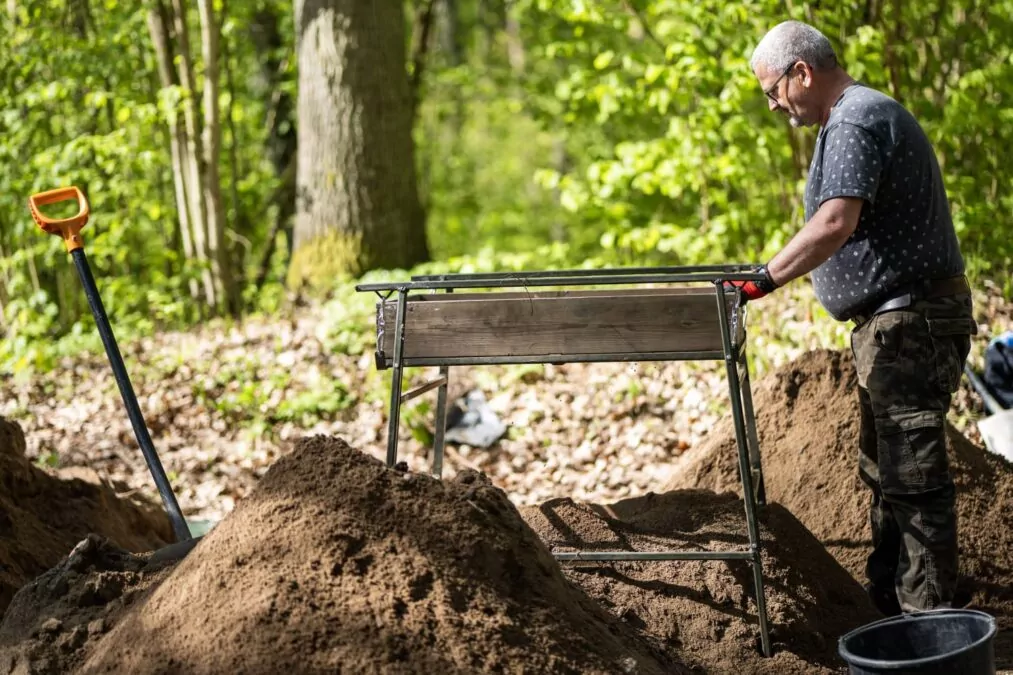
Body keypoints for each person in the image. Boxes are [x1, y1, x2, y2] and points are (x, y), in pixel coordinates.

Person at [727, 20, 977, 616]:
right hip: (894, 327)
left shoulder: (857, 118)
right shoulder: (853, 117)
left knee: (913, 482)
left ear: (803, 72)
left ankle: (931, 630)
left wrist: (764, 279)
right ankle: (890, 610)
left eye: (773, 90)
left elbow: (835, 221)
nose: (772, 104)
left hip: (909, 325)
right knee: (889, 475)